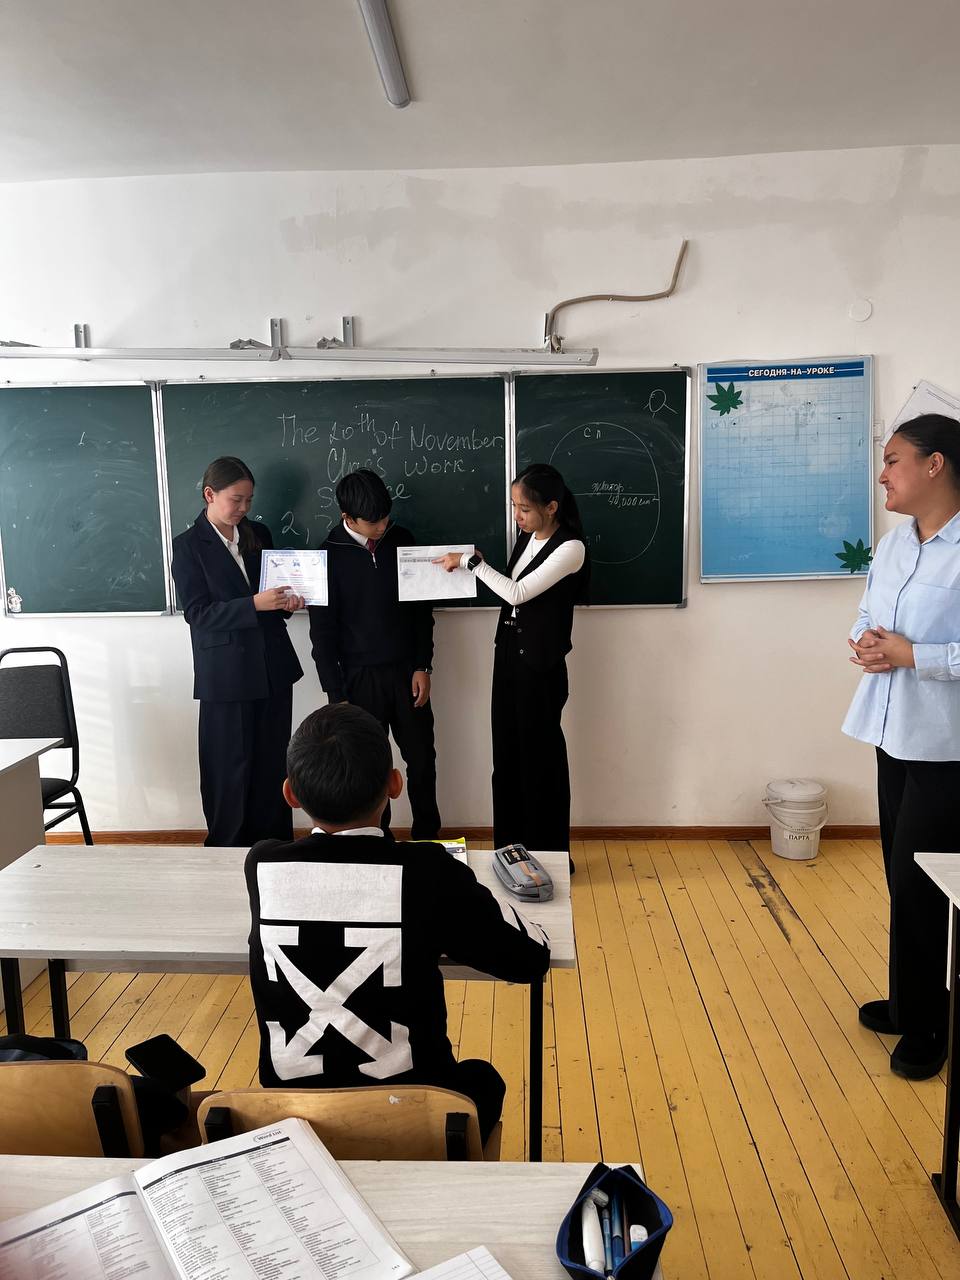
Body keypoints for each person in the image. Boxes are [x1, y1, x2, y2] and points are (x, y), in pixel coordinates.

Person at [244, 703, 549, 1142]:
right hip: (417, 1124)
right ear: (395, 784)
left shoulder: (261, 863)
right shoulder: (428, 870)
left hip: (297, 1122)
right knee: (482, 1079)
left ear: (290, 793)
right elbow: (530, 959)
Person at [843, 414, 960, 1080]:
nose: (883, 474)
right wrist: (863, 642)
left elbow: (927, 648)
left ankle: (930, 1026)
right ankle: (914, 1000)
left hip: (948, 746)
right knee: (899, 874)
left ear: (934, 464)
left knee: (924, 886)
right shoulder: (894, 544)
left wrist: (917, 656)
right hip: (894, 730)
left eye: (893, 460)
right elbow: (868, 613)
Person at [436, 463, 589, 858]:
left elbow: (518, 592)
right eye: (514, 507)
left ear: (551, 507)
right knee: (505, 757)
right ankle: (509, 849)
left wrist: (472, 563)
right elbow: (512, 587)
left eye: (524, 508)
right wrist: (478, 565)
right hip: (507, 654)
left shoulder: (571, 548)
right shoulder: (528, 537)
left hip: (539, 665)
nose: (517, 516)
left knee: (540, 760)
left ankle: (549, 853)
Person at [171, 456, 303, 846]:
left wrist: (288, 603)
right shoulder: (188, 546)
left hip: (272, 667)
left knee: (273, 762)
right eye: (236, 499)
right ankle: (226, 847)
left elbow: (274, 597)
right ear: (210, 494)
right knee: (229, 766)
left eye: (249, 500)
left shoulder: (258, 533)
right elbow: (197, 614)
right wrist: (254, 605)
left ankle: (274, 845)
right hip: (225, 675)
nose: (244, 508)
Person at [308, 469, 440, 839]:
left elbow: (421, 611)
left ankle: (428, 837)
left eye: (386, 518)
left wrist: (423, 664)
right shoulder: (326, 556)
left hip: (406, 673)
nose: (382, 526)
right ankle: (378, 839)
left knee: (422, 758)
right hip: (357, 680)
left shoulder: (402, 540)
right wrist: (336, 695)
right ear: (347, 518)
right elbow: (322, 634)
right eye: (373, 522)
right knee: (369, 768)